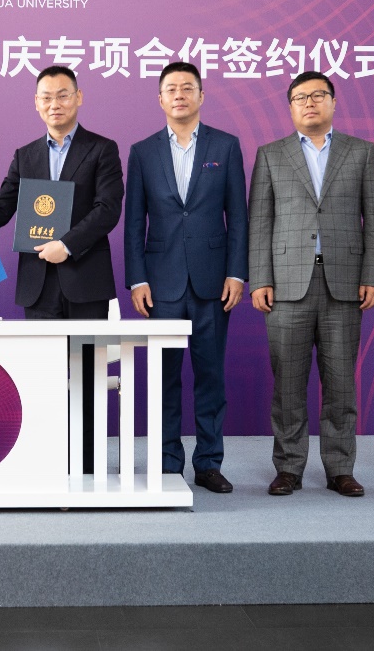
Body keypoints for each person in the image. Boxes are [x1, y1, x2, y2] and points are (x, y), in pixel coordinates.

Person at [0, 64, 123, 471]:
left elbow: (107, 208)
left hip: (85, 279)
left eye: (63, 95)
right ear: (36, 103)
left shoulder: (102, 149)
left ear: (79, 97)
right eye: (46, 97)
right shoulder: (25, 155)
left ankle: (87, 462)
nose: (55, 104)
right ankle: (49, 461)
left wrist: (68, 244)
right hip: (38, 284)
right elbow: (1, 207)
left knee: (87, 374)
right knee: (45, 376)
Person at [248, 71, 374, 498]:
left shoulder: (361, 152)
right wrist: (260, 278)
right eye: (301, 97)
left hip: (344, 283)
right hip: (286, 285)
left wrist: (373, 276)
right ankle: (289, 468)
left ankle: (340, 468)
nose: (310, 102)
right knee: (288, 385)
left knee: (341, 383)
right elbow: (260, 221)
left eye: (318, 95)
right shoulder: (271, 155)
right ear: (290, 107)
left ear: (333, 102)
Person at [124, 62, 247, 493]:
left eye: (187, 88)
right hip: (161, 283)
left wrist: (236, 272)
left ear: (201, 96)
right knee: (165, 377)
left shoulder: (225, 146)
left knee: (210, 376)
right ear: (160, 99)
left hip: (213, 281)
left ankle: (209, 463)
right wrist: (137, 279)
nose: (179, 95)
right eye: (171, 88)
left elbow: (238, 216)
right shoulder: (142, 152)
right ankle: (167, 462)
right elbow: (134, 221)